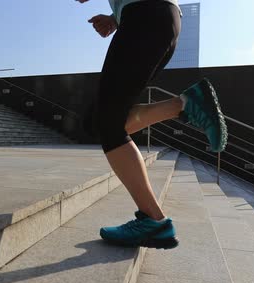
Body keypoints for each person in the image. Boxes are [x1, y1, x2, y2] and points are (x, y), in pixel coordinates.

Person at [77, 0, 227, 249]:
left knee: (107, 123)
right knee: (99, 123)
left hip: (145, 16)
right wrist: (115, 18)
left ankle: (153, 220)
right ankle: (185, 104)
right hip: (154, 18)